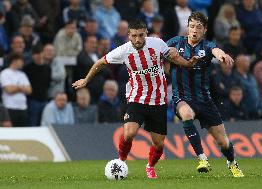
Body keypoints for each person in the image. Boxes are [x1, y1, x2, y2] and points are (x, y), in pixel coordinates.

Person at [72, 19, 197, 179]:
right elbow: (100, 62)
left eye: (141, 35)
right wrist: (86, 80)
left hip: (158, 100)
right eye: (134, 36)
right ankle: (121, 161)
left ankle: (150, 166)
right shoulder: (123, 51)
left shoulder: (157, 44)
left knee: (159, 144)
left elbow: (172, 57)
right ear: (128, 36)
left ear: (145, 33)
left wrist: (187, 63)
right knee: (129, 133)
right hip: (136, 98)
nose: (137, 39)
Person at [166, 12, 244, 177]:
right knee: (186, 114)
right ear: (187, 27)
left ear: (205, 30)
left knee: (223, 142)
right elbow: (159, 51)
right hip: (182, 97)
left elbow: (216, 50)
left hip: (205, 101)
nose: (194, 30)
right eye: (192, 26)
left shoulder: (207, 46)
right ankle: (202, 158)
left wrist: (222, 55)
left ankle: (232, 163)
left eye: (199, 27)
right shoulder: (175, 42)